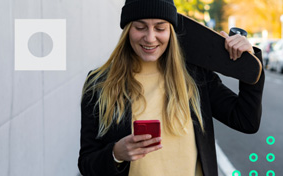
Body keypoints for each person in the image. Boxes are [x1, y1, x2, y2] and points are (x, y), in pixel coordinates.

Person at [78, 0, 265, 175]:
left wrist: (250, 63)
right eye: (140, 27)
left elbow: (246, 120)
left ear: (171, 30)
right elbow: (86, 163)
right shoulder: (99, 84)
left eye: (160, 27)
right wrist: (116, 154)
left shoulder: (195, 76)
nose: (150, 38)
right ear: (127, 30)